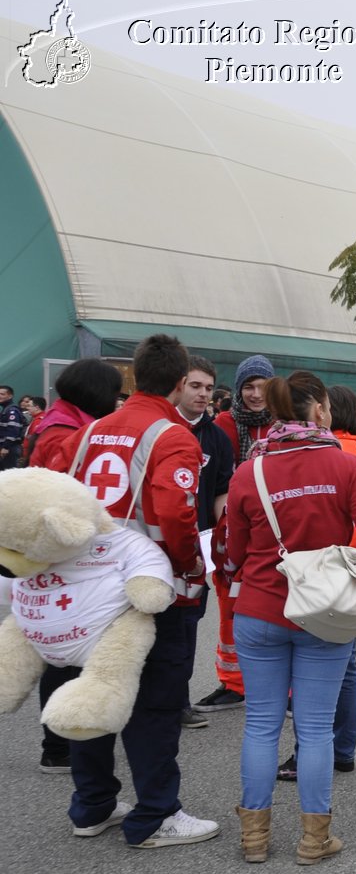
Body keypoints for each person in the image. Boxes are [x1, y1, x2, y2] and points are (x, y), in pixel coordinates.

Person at [227, 372, 356, 864]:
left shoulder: (251, 471)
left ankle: (254, 837)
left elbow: (235, 551)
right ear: (321, 409)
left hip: (260, 610)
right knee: (313, 729)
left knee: (262, 724)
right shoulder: (347, 466)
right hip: (322, 614)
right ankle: (313, 838)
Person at [59, 334, 215, 847]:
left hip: (89, 585)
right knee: (154, 703)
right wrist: (191, 563)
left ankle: (92, 805)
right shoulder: (171, 435)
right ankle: (156, 814)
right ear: (177, 381)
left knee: (97, 691)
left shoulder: (92, 431)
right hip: (146, 588)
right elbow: (174, 512)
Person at [24, 359, 125, 772]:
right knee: (66, 653)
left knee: (60, 650)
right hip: (66, 557)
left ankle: (61, 741)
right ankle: (59, 744)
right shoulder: (67, 433)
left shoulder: (55, 422)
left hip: (53, 555)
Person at [278, 385, 356, 783]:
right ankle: (343, 749)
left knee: (313, 671)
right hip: (352, 574)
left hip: (323, 574)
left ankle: (312, 752)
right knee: (346, 666)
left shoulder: (325, 456)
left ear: (324, 413)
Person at [200, 354, 276, 712]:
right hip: (232, 529)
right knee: (230, 606)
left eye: (263, 386)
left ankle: (284, 690)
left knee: (280, 611)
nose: (256, 394)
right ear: (238, 388)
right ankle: (234, 683)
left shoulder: (285, 423)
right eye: (249, 386)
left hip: (276, 531)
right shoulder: (224, 425)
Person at [172, 356, 234, 731]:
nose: (203, 394)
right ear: (179, 385)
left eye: (209, 388)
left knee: (188, 624)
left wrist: (224, 537)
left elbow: (221, 492)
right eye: (196, 386)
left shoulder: (215, 437)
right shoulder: (160, 428)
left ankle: (178, 701)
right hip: (155, 545)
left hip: (197, 545)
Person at [0, 385, 25, 470]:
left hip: (10, 449)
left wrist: (5, 447)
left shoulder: (12, 411)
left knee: (8, 475)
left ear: (10, 396)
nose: (0, 396)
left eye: (2, 394)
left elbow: (13, 431)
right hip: (6, 448)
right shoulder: (5, 409)